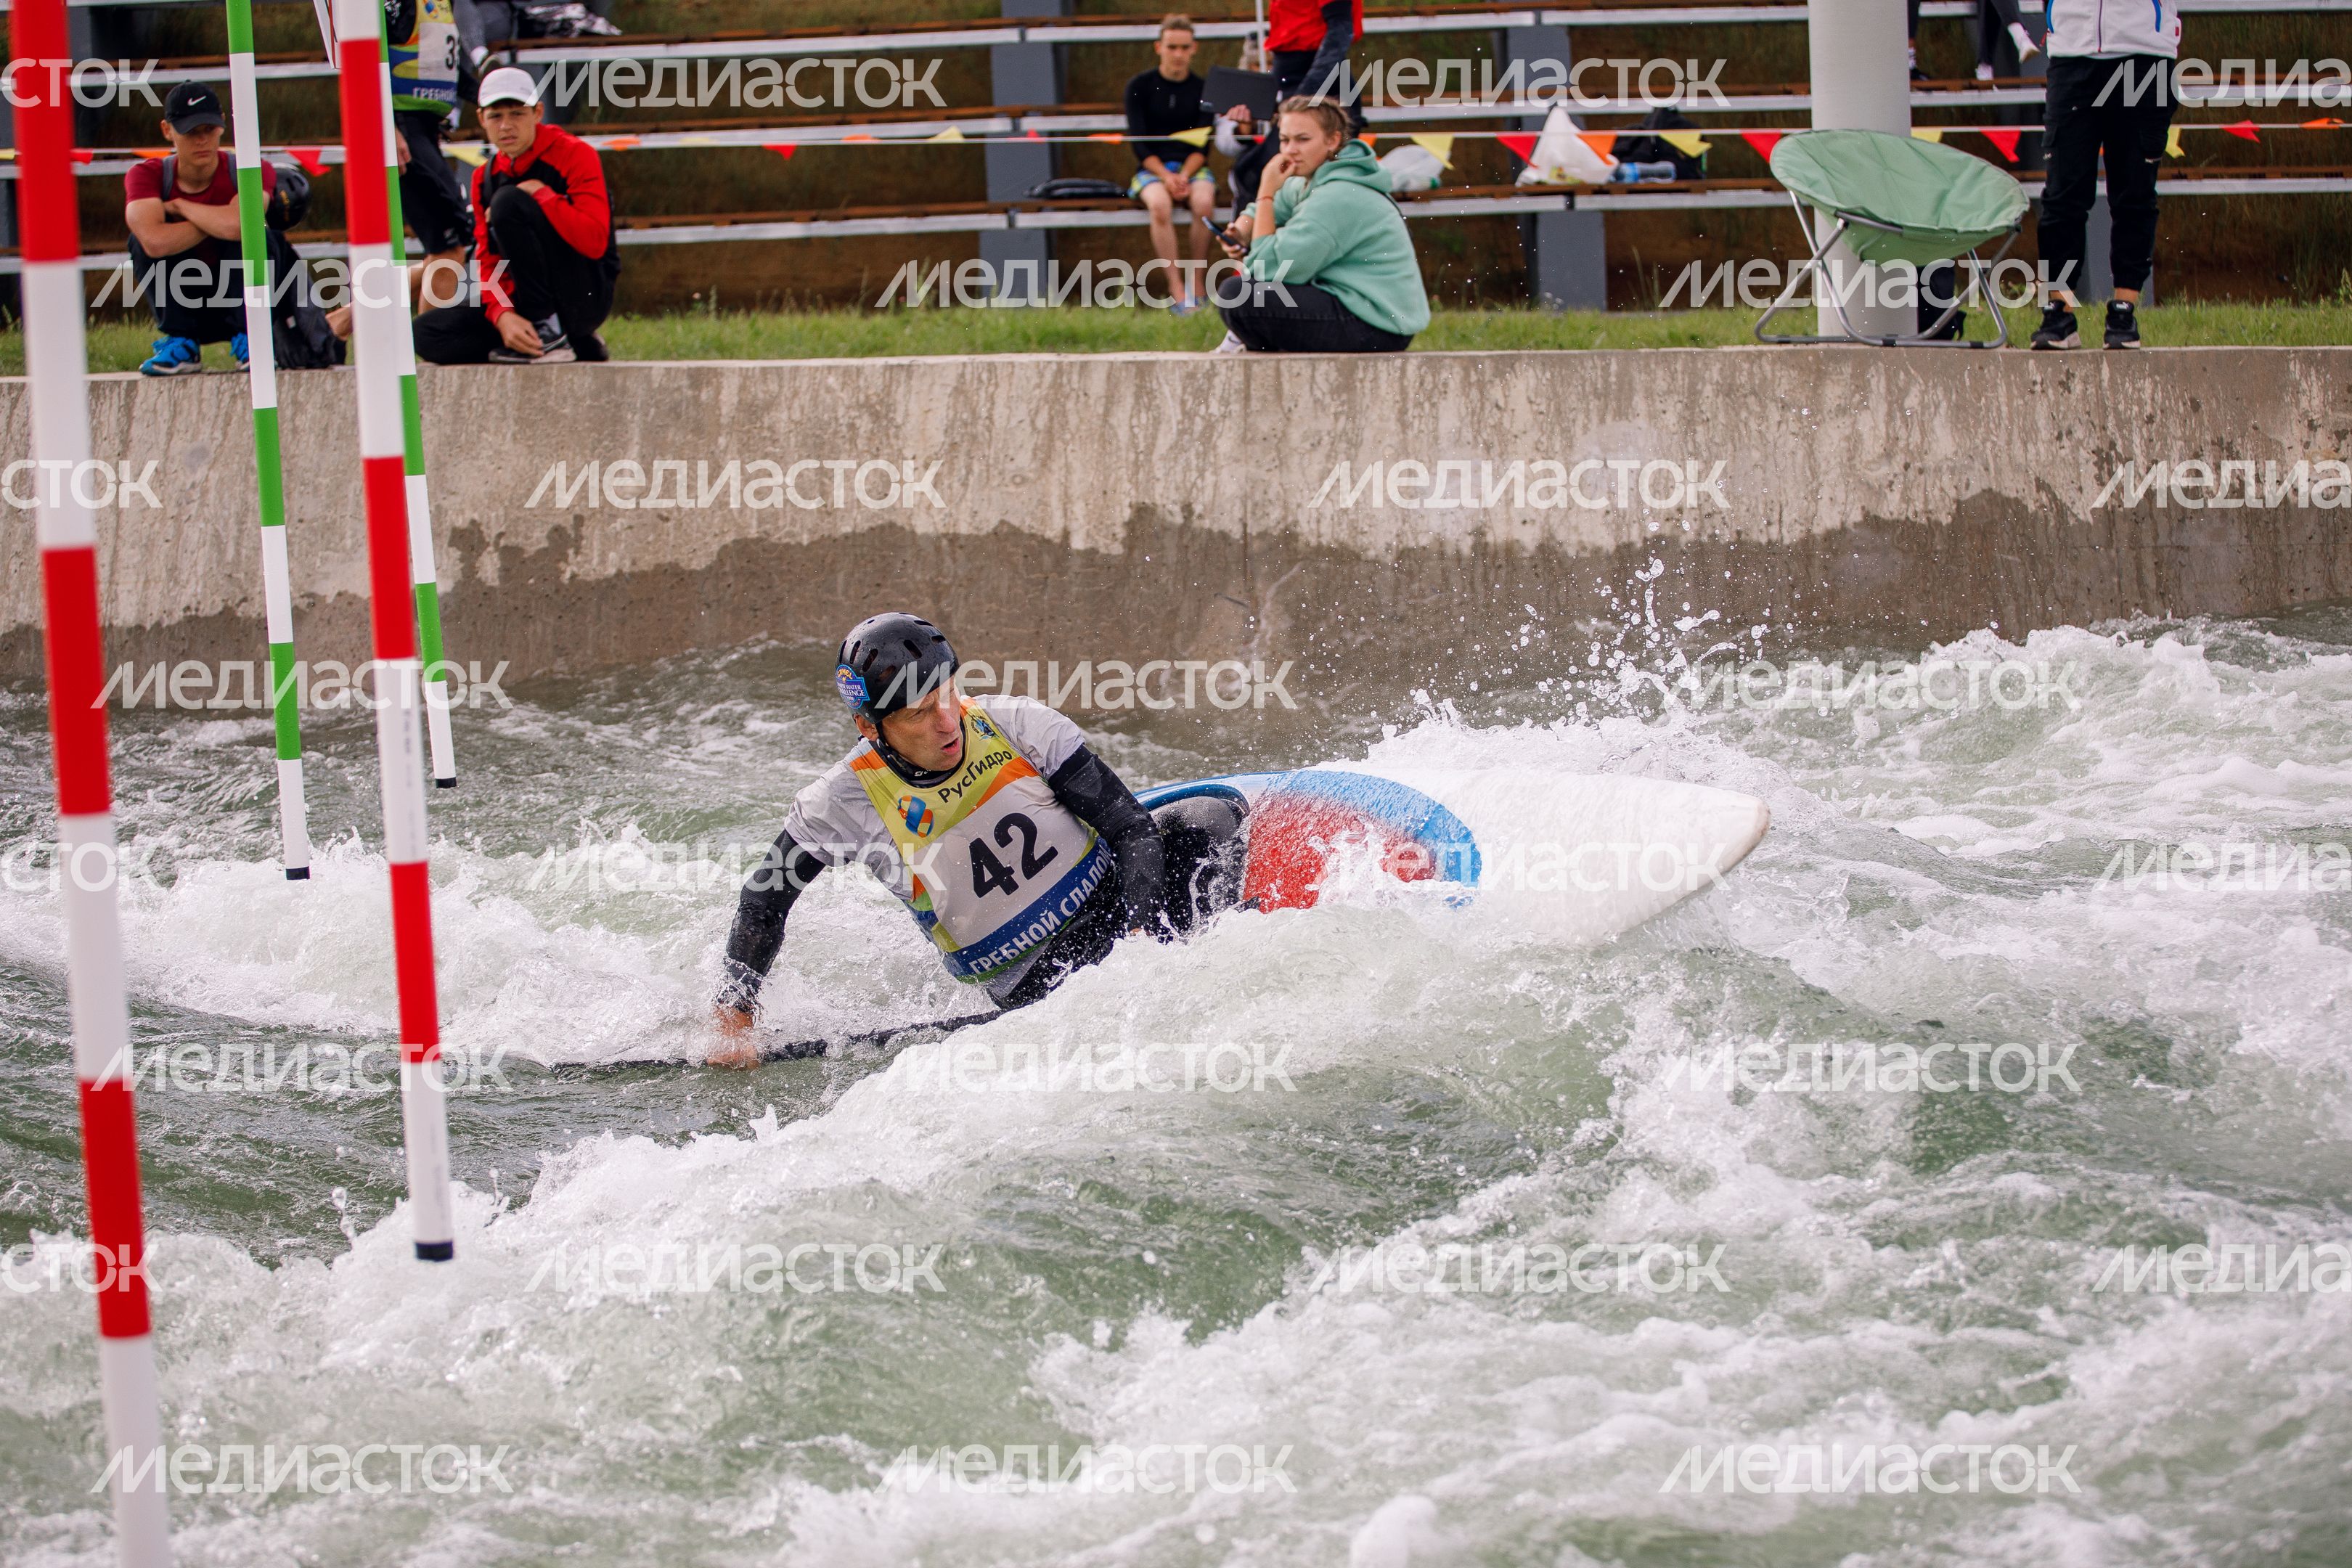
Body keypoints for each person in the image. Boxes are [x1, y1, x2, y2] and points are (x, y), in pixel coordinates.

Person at [709, 614, 1246, 1065]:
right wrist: (734, 1018)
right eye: (919, 714)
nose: (948, 723)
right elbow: (763, 901)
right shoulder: (840, 801)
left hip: (1117, 910)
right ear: (870, 728)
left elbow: (1130, 827)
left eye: (948, 695)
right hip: (1036, 978)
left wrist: (1140, 942)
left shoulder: (1017, 724)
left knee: (1210, 818)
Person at [412, 65, 616, 364]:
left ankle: (551, 331)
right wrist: (502, 314)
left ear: (538, 113)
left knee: (508, 202)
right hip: (521, 299)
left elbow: (595, 242)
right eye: (496, 116)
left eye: (517, 114)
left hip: (583, 293)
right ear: (482, 119)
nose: (506, 126)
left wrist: (543, 196)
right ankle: (552, 341)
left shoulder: (576, 154)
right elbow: (487, 258)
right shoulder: (484, 177)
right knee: (426, 334)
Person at [1213, 97, 1429, 354]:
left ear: (1333, 141)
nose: (1290, 150)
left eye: (1302, 140)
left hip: (1377, 326)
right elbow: (1261, 211)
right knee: (1245, 295)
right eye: (1285, 140)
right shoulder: (1312, 179)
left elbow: (1268, 270)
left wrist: (1265, 192)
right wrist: (1240, 232)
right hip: (1356, 308)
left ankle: (1248, 344)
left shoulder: (1337, 196)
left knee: (1240, 296)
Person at [2031, 0, 2180, 350]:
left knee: (2134, 192)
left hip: (2144, 51)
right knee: (2062, 193)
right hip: (2072, 50)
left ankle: (2124, 310)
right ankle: (2059, 311)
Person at [123, 82, 276, 377]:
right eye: (191, 131)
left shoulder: (250, 169)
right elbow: (153, 242)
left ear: (222, 124)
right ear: (167, 131)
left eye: (209, 129)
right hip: (186, 295)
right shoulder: (146, 175)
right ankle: (182, 342)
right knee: (138, 240)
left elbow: (241, 226)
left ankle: (252, 337)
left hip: (238, 294)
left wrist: (181, 207)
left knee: (261, 233)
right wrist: (221, 220)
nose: (202, 140)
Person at [1124, 15, 1217, 314]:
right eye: (1172, 47)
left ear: (1194, 49)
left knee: (1204, 202)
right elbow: (1140, 145)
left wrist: (1184, 176)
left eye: (1184, 48)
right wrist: (1166, 176)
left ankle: (1198, 283)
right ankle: (1176, 288)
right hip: (1152, 169)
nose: (1178, 54)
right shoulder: (1139, 86)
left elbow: (1202, 147)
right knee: (1159, 206)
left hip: (1192, 167)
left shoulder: (1204, 89)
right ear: (1159, 48)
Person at [388, 0, 473, 311]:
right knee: (451, 244)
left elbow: (446, 69)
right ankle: (430, 336)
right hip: (403, 128)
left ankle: (343, 320)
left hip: (424, 128)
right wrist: (388, 125)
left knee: (449, 246)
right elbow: (364, 62)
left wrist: (493, 96)